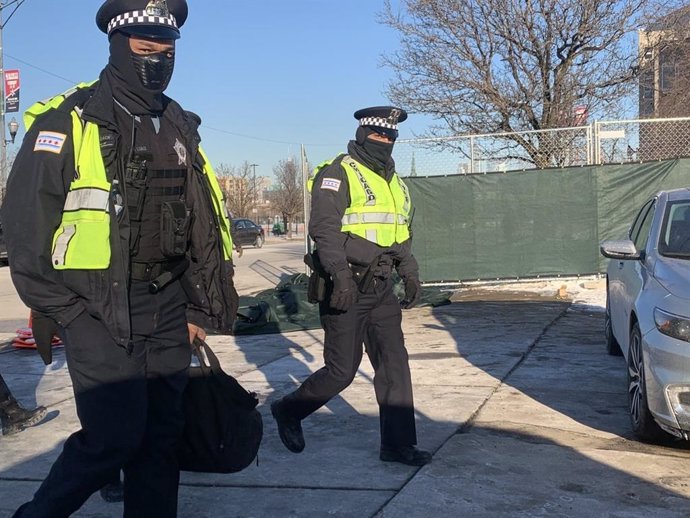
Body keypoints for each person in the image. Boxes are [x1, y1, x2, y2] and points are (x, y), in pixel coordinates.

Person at [1, 1, 238, 516]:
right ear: (116, 44)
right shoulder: (68, 121)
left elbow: (200, 221)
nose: (157, 58)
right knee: (113, 439)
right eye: (144, 47)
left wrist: (197, 309)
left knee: (160, 441)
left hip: (169, 306)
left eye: (166, 48)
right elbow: (24, 229)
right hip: (96, 307)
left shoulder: (179, 125)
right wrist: (66, 312)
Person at [271, 106, 431, 467]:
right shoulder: (339, 172)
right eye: (379, 135)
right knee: (342, 371)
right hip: (345, 285)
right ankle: (289, 409)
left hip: (381, 287)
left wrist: (410, 271)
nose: (385, 141)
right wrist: (340, 275)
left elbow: (400, 232)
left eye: (391, 136)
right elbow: (324, 230)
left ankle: (398, 445)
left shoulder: (395, 182)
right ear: (362, 135)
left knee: (394, 365)